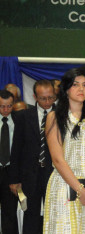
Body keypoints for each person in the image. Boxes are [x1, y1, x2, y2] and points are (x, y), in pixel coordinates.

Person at [43, 68, 85, 233]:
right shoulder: (54, 117)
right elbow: (58, 159)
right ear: (66, 89)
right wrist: (81, 191)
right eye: (76, 85)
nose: (81, 89)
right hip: (65, 186)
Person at [9, 80, 56, 234]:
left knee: (54, 215)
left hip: (55, 175)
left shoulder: (62, 115)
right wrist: (14, 179)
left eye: (51, 97)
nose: (48, 102)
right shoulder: (23, 116)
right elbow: (16, 149)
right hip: (30, 176)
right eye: (43, 98)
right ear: (35, 97)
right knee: (31, 216)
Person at [0, 90, 18, 234]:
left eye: (9, 106)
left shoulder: (19, 121)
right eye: (2, 106)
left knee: (9, 212)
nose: (6, 110)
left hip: (11, 172)